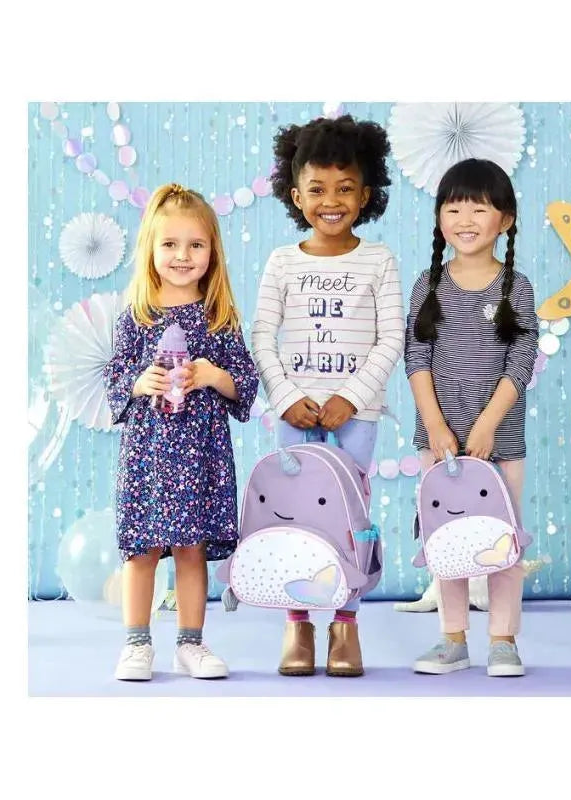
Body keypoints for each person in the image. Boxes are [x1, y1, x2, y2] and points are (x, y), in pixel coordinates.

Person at [252, 114, 405, 676]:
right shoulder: (282, 262)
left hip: (356, 416)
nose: (332, 202)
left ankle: (345, 623)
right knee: (293, 513)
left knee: (348, 515)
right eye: (317, 189)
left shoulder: (379, 260)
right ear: (296, 196)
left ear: (366, 194)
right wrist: (285, 397)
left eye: (345, 188)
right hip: (295, 414)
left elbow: (392, 337)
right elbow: (262, 336)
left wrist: (351, 397)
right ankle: (298, 625)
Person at [104, 183, 258, 681]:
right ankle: (136, 644)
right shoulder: (136, 315)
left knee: (192, 552)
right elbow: (114, 379)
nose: (183, 256)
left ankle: (190, 644)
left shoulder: (219, 318)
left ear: (212, 251)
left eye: (195, 244)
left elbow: (245, 382)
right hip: (149, 457)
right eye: (170, 244)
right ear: (150, 248)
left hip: (201, 456)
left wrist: (213, 375)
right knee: (142, 551)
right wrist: (139, 382)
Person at [404, 159, 538, 677]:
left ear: (505, 220)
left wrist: (486, 426)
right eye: (453, 207)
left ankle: (503, 640)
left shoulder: (516, 287)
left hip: (500, 441)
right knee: (447, 539)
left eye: (479, 209)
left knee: (502, 541)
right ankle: (452, 639)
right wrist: (437, 426)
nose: (464, 219)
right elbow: (416, 359)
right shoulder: (428, 284)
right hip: (439, 443)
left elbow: (521, 361)